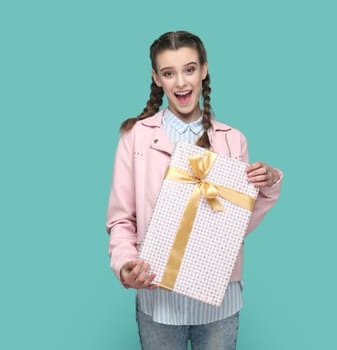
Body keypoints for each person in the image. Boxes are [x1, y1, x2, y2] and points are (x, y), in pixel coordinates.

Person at [106, 31, 283, 350]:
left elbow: (236, 225)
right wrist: (125, 264)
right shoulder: (135, 138)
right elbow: (121, 220)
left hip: (220, 302)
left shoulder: (233, 140)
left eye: (189, 69)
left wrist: (268, 184)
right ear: (156, 78)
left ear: (204, 69)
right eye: (168, 73)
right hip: (157, 300)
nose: (181, 83)